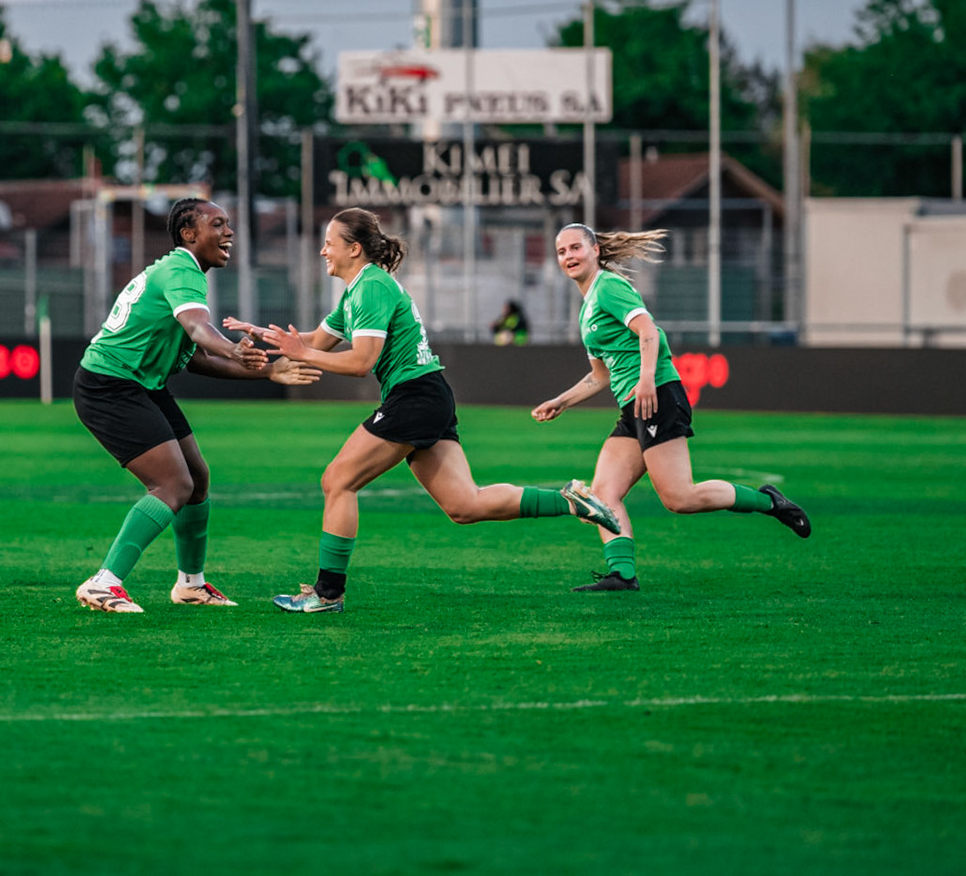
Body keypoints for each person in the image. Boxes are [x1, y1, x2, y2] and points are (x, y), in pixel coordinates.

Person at [229, 207, 620, 615]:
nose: (323, 251)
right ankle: (573, 500)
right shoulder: (358, 290)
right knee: (465, 506)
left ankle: (327, 594)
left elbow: (361, 361)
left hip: (415, 397)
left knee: (337, 481)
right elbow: (315, 341)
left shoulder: (371, 287)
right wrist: (263, 334)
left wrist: (304, 353)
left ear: (355, 248)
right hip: (426, 395)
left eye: (329, 243)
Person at [529, 223, 809, 593]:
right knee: (601, 496)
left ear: (595, 250)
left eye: (576, 247)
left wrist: (646, 379)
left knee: (680, 498)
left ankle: (769, 502)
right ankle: (622, 575)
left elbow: (650, 332)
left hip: (656, 395)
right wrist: (561, 402)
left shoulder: (609, 287)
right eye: (562, 251)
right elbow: (599, 376)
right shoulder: (587, 308)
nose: (569, 256)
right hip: (634, 405)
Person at [72, 198, 317, 613]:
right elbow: (198, 329)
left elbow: (197, 357)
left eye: (228, 224)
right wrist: (235, 351)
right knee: (173, 485)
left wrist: (267, 372)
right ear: (189, 234)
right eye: (217, 224)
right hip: (109, 384)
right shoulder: (182, 269)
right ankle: (103, 582)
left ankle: (191, 585)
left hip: (140, 383)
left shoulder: (179, 272)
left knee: (197, 480)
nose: (228, 232)